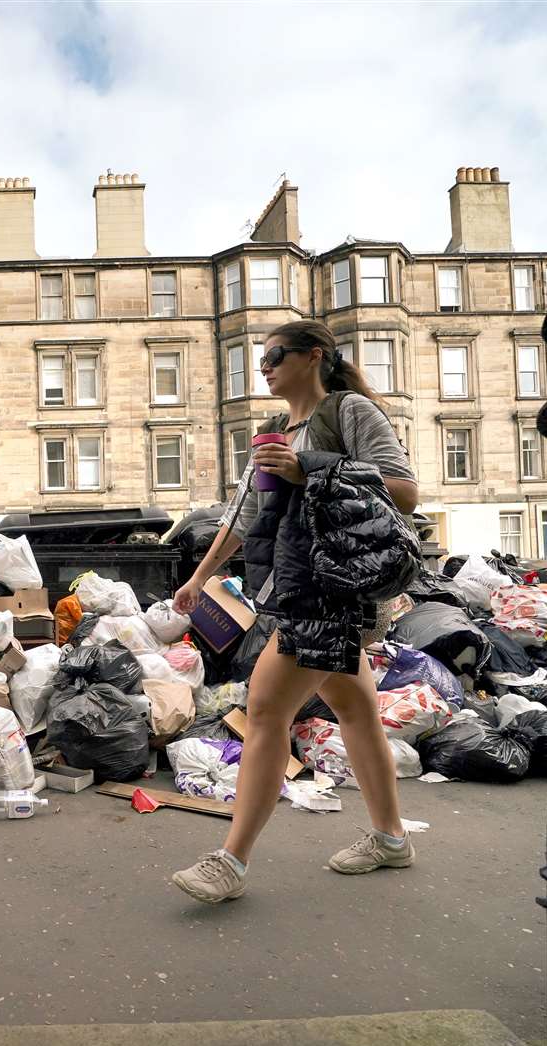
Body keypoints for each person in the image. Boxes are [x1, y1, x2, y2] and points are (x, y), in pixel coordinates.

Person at [169, 318, 419, 903]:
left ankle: (230, 862)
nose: (264, 365)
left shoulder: (350, 412)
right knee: (354, 710)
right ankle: (391, 839)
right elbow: (249, 518)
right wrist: (201, 579)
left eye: (275, 353)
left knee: (264, 710)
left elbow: (406, 492)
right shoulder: (276, 430)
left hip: (334, 590)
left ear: (314, 355)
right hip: (295, 588)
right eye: (262, 357)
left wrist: (313, 469)